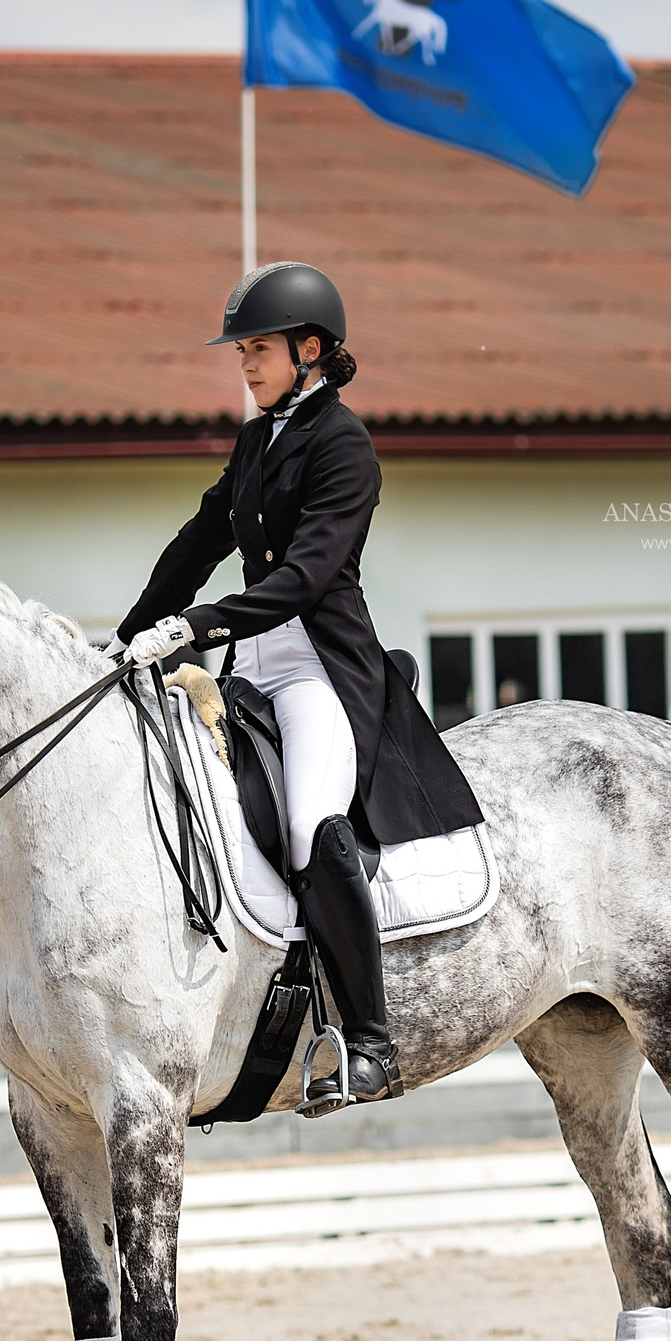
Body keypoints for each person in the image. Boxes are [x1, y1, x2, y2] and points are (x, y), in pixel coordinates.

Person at [115, 262, 483, 1105]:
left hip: (320, 666)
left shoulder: (344, 444)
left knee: (312, 827)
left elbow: (311, 574)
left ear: (310, 350)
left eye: (260, 348)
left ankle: (371, 1040)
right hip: (252, 666)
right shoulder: (255, 440)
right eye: (241, 350)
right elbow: (199, 540)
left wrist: (201, 626)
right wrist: (133, 630)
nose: (245, 364)